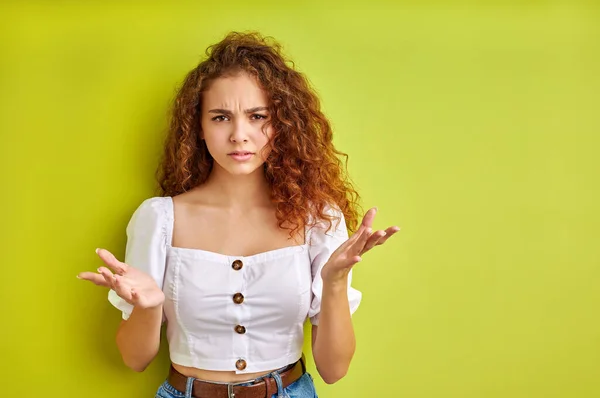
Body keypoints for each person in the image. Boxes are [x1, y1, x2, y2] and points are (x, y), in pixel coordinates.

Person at [78, 31, 399, 398]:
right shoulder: (159, 219)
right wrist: (149, 307)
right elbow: (135, 359)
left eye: (257, 116)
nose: (239, 135)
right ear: (197, 127)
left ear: (281, 124)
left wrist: (336, 281)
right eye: (220, 117)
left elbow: (334, 369)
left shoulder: (318, 219)